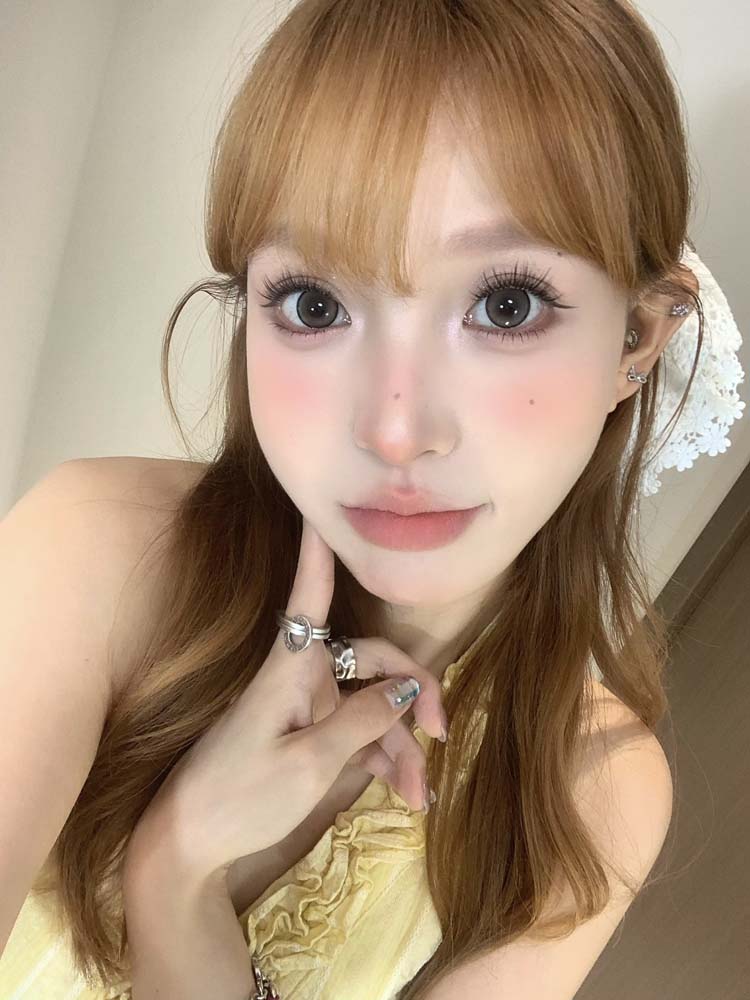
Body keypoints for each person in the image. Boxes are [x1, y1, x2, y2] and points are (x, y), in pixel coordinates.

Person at [1, 1, 738, 998]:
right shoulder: (91, 554)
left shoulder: (591, 788)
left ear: (636, 340)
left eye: (507, 304)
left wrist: (176, 880)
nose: (396, 429)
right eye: (315, 304)